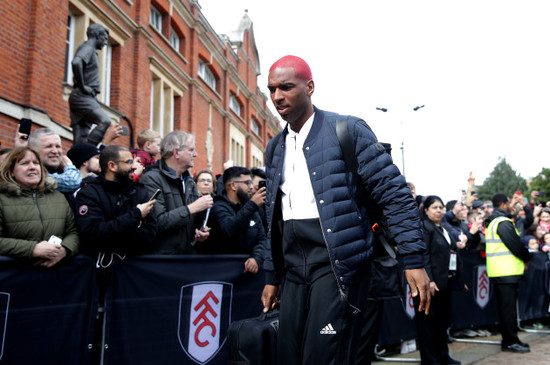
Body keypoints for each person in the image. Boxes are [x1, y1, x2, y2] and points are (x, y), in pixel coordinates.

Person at [260, 55, 430, 364]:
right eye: (271, 89)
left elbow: (395, 195)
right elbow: (273, 216)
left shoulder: (347, 129)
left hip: (338, 270)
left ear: (309, 87)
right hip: (294, 273)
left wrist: (413, 259)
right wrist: (272, 275)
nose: (276, 97)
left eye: (285, 87)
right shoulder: (275, 146)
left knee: (324, 351)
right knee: (288, 356)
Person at [75, 145, 157, 263]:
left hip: (133, 268)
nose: (135, 166)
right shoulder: (89, 193)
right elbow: (93, 233)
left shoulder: (140, 192)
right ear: (112, 166)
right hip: (99, 269)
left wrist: (114, 232)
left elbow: (150, 234)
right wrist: (135, 215)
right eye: (129, 162)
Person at [0, 147, 79, 267]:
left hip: (56, 272)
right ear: (11, 171)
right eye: (24, 163)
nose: (32, 167)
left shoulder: (58, 197)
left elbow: (73, 232)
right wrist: (32, 249)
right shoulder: (2, 199)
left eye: (36, 163)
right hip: (15, 274)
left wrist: (64, 250)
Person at [140, 130, 213, 254]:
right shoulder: (151, 178)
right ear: (176, 152)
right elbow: (158, 223)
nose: (195, 154)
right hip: (161, 260)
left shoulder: (189, 181)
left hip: (186, 257)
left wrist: (199, 232)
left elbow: (192, 222)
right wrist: (191, 208)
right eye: (191, 150)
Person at [416, 195, 465, 365]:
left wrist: (459, 278)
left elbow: (452, 254)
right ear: (426, 210)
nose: (439, 211)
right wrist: (429, 280)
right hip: (430, 284)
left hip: (445, 283)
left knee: (442, 323)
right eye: (435, 207)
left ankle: (443, 356)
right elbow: (424, 255)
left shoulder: (443, 228)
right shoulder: (424, 228)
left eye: (441, 207)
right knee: (428, 324)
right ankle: (430, 360)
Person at [485, 193, 531, 353]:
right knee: (508, 310)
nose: (512, 206)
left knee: (507, 310)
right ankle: (510, 341)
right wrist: (527, 257)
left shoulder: (494, 221)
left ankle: (511, 339)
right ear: (503, 204)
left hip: (501, 271)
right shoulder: (502, 222)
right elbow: (515, 245)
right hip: (506, 272)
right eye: (509, 203)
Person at [206, 166, 267, 274]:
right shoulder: (218, 207)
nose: (251, 187)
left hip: (248, 274)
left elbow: (262, 238)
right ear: (233, 185)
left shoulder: (251, 208)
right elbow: (228, 229)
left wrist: (256, 258)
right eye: (247, 183)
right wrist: (252, 205)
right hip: (221, 272)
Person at [69, 24, 112, 146]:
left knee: (81, 136)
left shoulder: (89, 49)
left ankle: (78, 157)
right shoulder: (88, 47)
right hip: (82, 96)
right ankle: (87, 152)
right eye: (104, 38)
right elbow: (76, 62)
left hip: (82, 96)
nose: (105, 43)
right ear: (98, 35)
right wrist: (83, 86)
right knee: (105, 121)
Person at [27, 128, 82, 193]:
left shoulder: (62, 173)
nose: (55, 151)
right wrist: (69, 165)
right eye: (48, 146)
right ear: (32, 150)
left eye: (58, 146)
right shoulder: (30, 174)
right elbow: (73, 182)